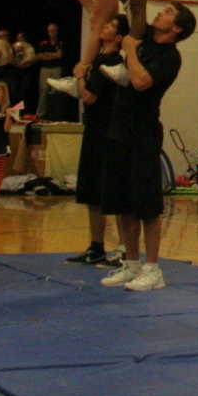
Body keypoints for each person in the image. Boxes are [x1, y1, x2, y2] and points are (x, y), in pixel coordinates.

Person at [99, 3, 196, 293]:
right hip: (119, 128)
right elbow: (134, 5)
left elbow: (141, 82)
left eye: (168, 12)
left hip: (143, 133)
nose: (160, 12)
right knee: (123, 202)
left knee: (147, 205)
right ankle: (131, 263)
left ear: (176, 28)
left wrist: (129, 50)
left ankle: (153, 269)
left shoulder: (169, 57)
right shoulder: (145, 38)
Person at [64, 16, 126, 267]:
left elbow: (89, 97)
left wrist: (79, 77)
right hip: (95, 130)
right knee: (92, 191)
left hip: (107, 132)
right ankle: (97, 246)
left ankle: (124, 249)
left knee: (113, 192)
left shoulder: (110, 61)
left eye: (111, 26)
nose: (105, 27)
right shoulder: (99, 59)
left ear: (119, 37)